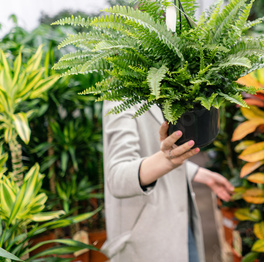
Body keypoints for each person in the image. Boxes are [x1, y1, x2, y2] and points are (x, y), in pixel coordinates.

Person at [100, 100, 234, 262]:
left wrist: (198, 173)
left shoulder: (169, 81)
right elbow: (117, 178)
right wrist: (166, 160)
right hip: (148, 235)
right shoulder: (120, 95)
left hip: (181, 226)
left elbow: (155, 150)